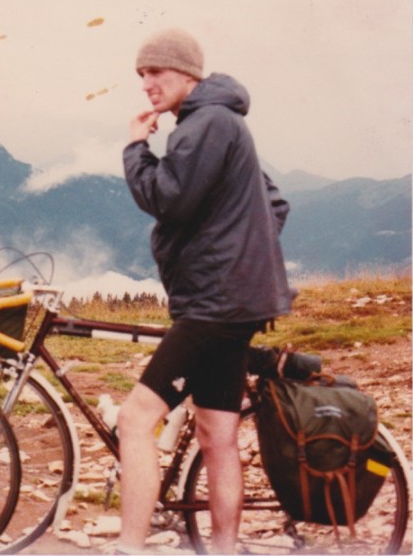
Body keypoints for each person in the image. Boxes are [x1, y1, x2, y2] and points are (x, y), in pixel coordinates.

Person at [118, 28, 292, 554]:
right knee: (218, 437)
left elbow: (166, 197)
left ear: (187, 73)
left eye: (157, 72)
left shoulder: (205, 124)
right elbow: (274, 204)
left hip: (213, 304)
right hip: (232, 302)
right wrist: (238, 252)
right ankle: (221, 548)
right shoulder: (221, 121)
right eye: (141, 74)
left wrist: (134, 147)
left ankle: (127, 546)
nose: (147, 83)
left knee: (134, 419)